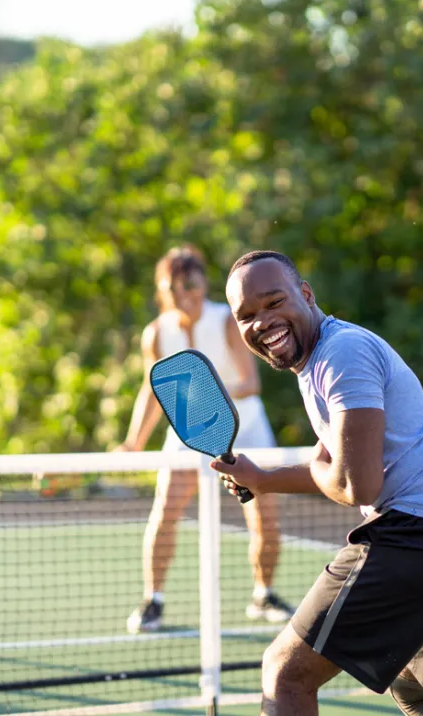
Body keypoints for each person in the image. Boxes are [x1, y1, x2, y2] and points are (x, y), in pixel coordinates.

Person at [211, 250, 423, 716]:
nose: (262, 321)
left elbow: (358, 486)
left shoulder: (341, 354)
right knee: (413, 686)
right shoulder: (320, 359)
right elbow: (336, 463)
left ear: (307, 294)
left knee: (285, 672)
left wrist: (317, 470)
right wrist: (263, 479)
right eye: (247, 315)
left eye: (274, 302)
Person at [117, 245, 294, 634]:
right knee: (165, 511)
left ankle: (263, 594)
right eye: (173, 286)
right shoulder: (156, 333)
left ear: (202, 283)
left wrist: (208, 401)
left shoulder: (227, 320)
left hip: (246, 429)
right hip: (186, 436)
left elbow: (250, 383)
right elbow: (152, 391)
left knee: (264, 517)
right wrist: (133, 442)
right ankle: (153, 600)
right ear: (163, 290)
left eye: (190, 283)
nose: (183, 292)